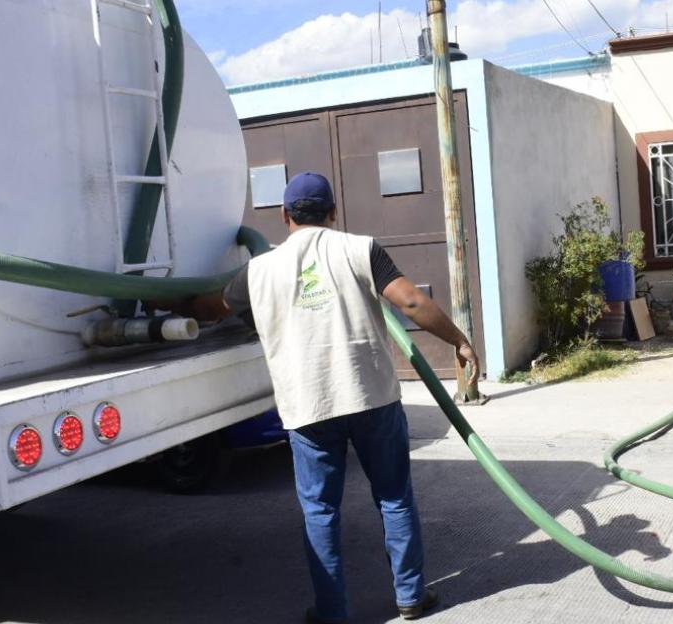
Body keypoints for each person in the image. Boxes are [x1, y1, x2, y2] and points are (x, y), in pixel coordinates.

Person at [165, 172, 479, 621]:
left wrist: (167, 303)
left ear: (284, 215)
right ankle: (411, 595)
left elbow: (209, 310)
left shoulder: (258, 270)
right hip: (371, 397)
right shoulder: (361, 249)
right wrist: (458, 340)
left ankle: (332, 613)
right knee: (394, 497)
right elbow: (410, 302)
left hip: (308, 406)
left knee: (321, 512)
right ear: (333, 212)